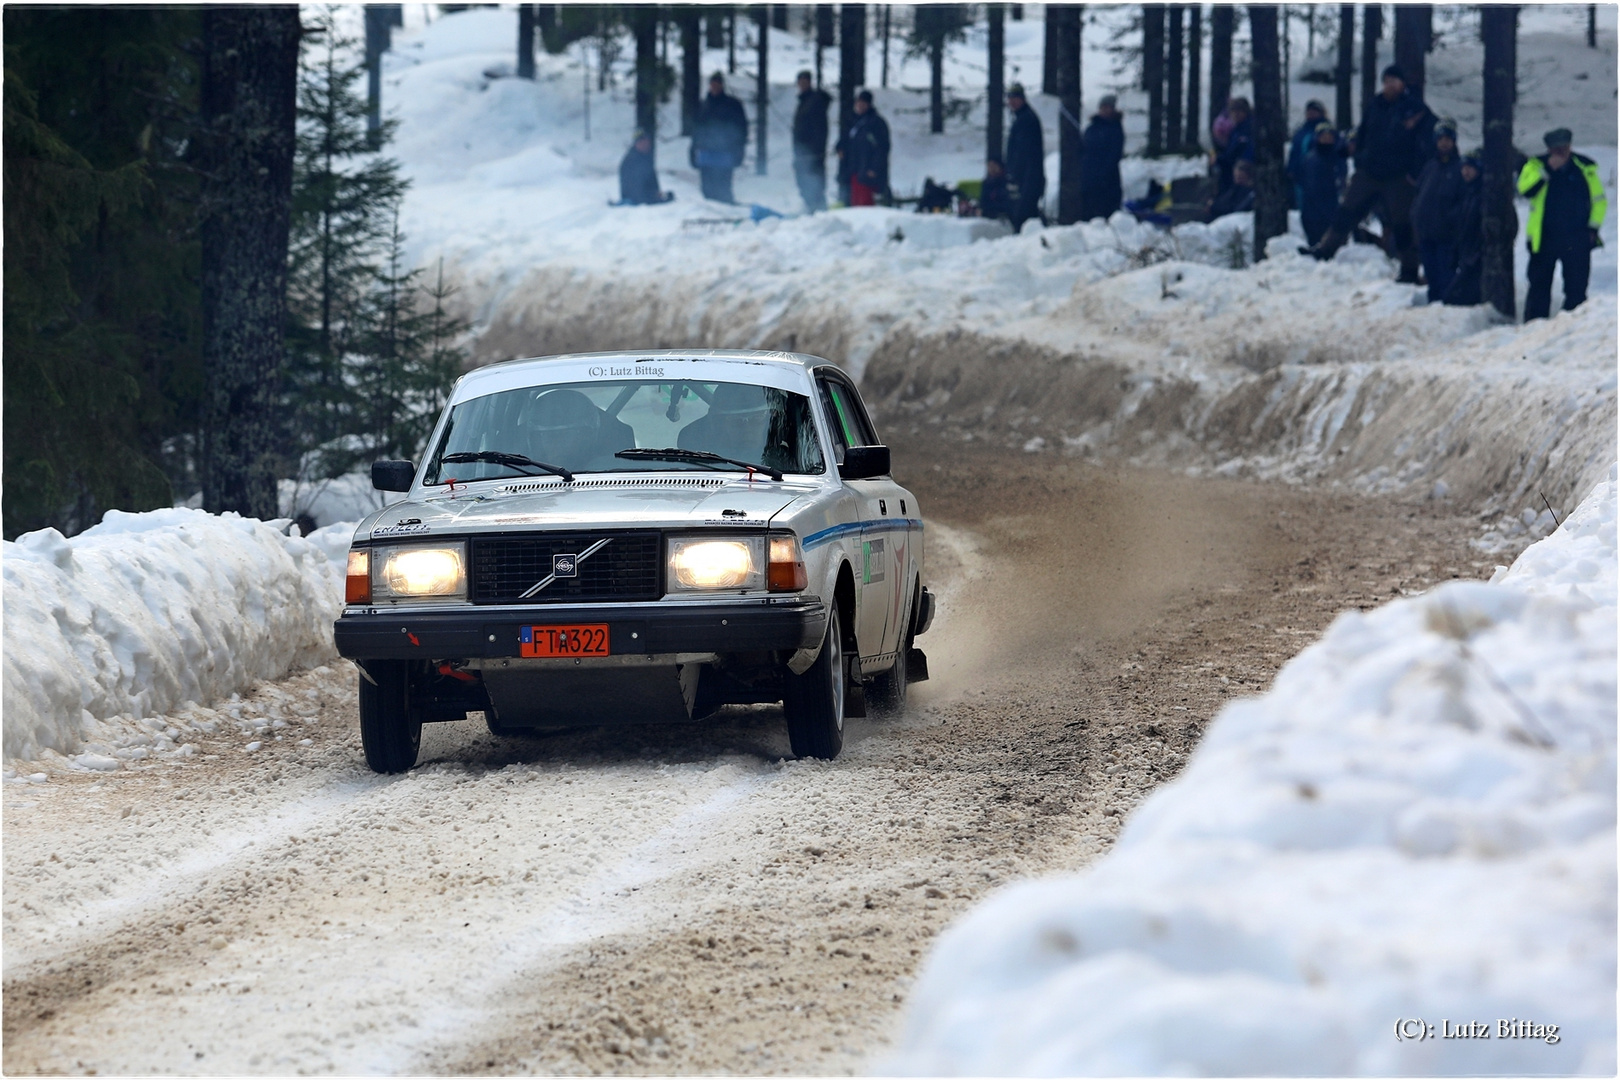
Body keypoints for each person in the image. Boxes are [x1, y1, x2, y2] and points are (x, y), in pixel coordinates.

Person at [1305, 64, 1434, 282]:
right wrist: (1353, 151)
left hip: (1398, 176)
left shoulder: (1416, 109)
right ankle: (1325, 249)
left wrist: (1414, 172)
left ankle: (1409, 269)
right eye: (1386, 81)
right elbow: (1363, 132)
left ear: (1402, 84)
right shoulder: (1375, 104)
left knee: (1402, 224)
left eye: (1394, 81)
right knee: (1346, 211)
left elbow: (1428, 143)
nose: (1389, 86)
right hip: (1369, 171)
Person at [1519, 127, 1608, 320]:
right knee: (1538, 287)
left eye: (1564, 148)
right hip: (1544, 238)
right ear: (1549, 149)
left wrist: (1593, 228)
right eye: (1557, 149)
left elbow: (1599, 201)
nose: (1561, 152)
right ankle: (1534, 325)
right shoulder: (1535, 166)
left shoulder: (1584, 167)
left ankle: (1573, 325)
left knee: (1576, 288)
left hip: (1576, 238)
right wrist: (1548, 170)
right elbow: (1526, 190)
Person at [1411, 122, 1465, 302]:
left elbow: (1463, 201)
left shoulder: (1459, 168)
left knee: (1446, 277)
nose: (1444, 143)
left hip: (1447, 236)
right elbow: (1418, 194)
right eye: (1441, 139)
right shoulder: (1430, 167)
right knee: (1431, 276)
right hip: (1426, 234)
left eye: (1448, 139)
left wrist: (1452, 220)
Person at [692, 72, 748, 203]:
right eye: (712, 84)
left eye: (717, 84)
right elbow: (697, 130)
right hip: (706, 153)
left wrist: (739, 150)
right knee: (707, 189)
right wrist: (693, 149)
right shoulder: (703, 105)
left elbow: (741, 128)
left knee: (723, 188)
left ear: (722, 85)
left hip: (725, 153)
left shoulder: (733, 105)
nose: (715, 87)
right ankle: (710, 212)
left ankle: (726, 212)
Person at [1444, 150, 1484, 307]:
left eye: (1470, 168)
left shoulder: (1483, 194)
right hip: (1465, 254)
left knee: (1456, 297)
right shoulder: (1466, 192)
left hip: (1477, 257)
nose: (1465, 172)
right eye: (1463, 168)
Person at [1298, 121, 1347, 247]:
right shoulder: (1310, 159)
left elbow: (1341, 179)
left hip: (1331, 205)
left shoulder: (1338, 158)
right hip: (1312, 207)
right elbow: (1303, 181)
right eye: (1323, 136)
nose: (1326, 139)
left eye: (1329, 136)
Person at [1003, 83, 1045, 230]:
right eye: (1010, 98)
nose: (1012, 102)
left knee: (1024, 215)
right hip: (1021, 177)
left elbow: (1028, 155)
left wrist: (1022, 176)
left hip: (1029, 177)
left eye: (1015, 98)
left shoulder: (1028, 120)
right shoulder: (1020, 119)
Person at [839, 89, 890, 206]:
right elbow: (846, 140)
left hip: (867, 172)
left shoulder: (876, 123)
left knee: (865, 204)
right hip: (853, 170)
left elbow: (882, 148)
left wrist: (874, 168)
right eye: (858, 103)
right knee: (854, 202)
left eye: (863, 103)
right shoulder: (854, 121)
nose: (860, 106)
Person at [1079, 95, 1125, 221]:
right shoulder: (1092, 128)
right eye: (1103, 107)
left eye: (1108, 107)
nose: (1105, 110)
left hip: (1108, 181)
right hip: (1089, 179)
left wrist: (1103, 173)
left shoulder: (1115, 128)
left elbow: (1114, 155)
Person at [792, 70, 832, 213]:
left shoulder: (815, 101)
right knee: (804, 184)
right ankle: (811, 210)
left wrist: (815, 151)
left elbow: (820, 129)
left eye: (805, 81)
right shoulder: (804, 101)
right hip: (802, 152)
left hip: (812, 154)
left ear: (810, 82)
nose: (802, 84)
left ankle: (818, 211)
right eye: (800, 81)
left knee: (814, 185)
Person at [1286, 99, 1329, 208]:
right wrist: (1290, 169)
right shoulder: (1301, 132)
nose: (1311, 113)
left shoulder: (1326, 130)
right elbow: (1294, 152)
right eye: (1309, 111)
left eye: (1314, 111)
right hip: (1299, 174)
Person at [618, 129, 672, 206]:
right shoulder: (631, 160)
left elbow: (651, 178)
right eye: (644, 142)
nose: (647, 145)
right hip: (636, 198)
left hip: (647, 196)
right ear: (638, 143)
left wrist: (656, 192)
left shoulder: (646, 158)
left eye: (648, 142)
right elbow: (633, 185)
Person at [1213, 96, 1254, 194]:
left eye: (1238, 111)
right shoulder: (1236, 130)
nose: (1235, 115)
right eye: (1233, 112)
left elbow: (1246, 149)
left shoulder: (1249, 128)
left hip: (1244, 169)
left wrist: (1243, 165)